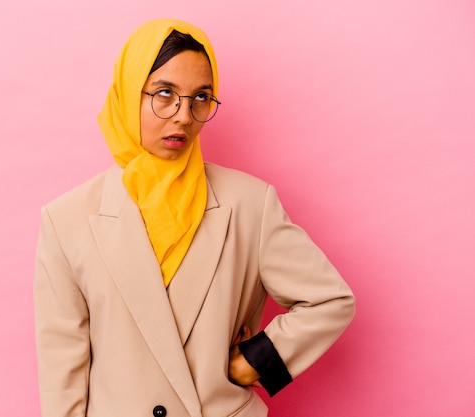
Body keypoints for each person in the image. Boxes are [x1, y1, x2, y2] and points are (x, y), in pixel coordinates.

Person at [34, 18, 355, 417]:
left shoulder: (250, 203)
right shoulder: (67, 220)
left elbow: (330, 299)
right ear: (128, 94)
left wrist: (258, 358)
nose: (184, 115)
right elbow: (62, 370)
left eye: (201, 97)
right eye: (164, 94)